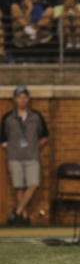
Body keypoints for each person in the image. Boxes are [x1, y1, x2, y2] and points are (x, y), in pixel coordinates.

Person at [1, 86, 48, 225]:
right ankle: (24, 216)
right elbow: (3, 138)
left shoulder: (36, 116)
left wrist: (35, 146)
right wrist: (10, 148)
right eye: (19, 97)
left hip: (32, 156)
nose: (22, 100)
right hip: (15, 156)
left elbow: (45, 135)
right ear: (15, 99)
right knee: (19, 186)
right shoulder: (8, 118)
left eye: (25, 97)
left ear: (28, 99)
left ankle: (17, 212)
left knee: (33, 184)